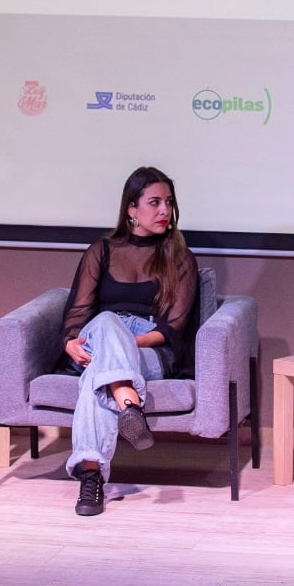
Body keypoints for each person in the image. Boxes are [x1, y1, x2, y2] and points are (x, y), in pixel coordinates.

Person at [58, 165, 199, 516]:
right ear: (131, 209)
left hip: (147, 348)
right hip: (99, 338)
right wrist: (70, 342)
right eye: (154, 202)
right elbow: (77, 313)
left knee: (97, 376)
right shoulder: (101, 251)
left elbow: (173, 327)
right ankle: (128, 405)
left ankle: (91, 479)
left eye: (168, 202)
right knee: (105, 321)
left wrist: (122, 342)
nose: (164, 210)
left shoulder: (180, 257)